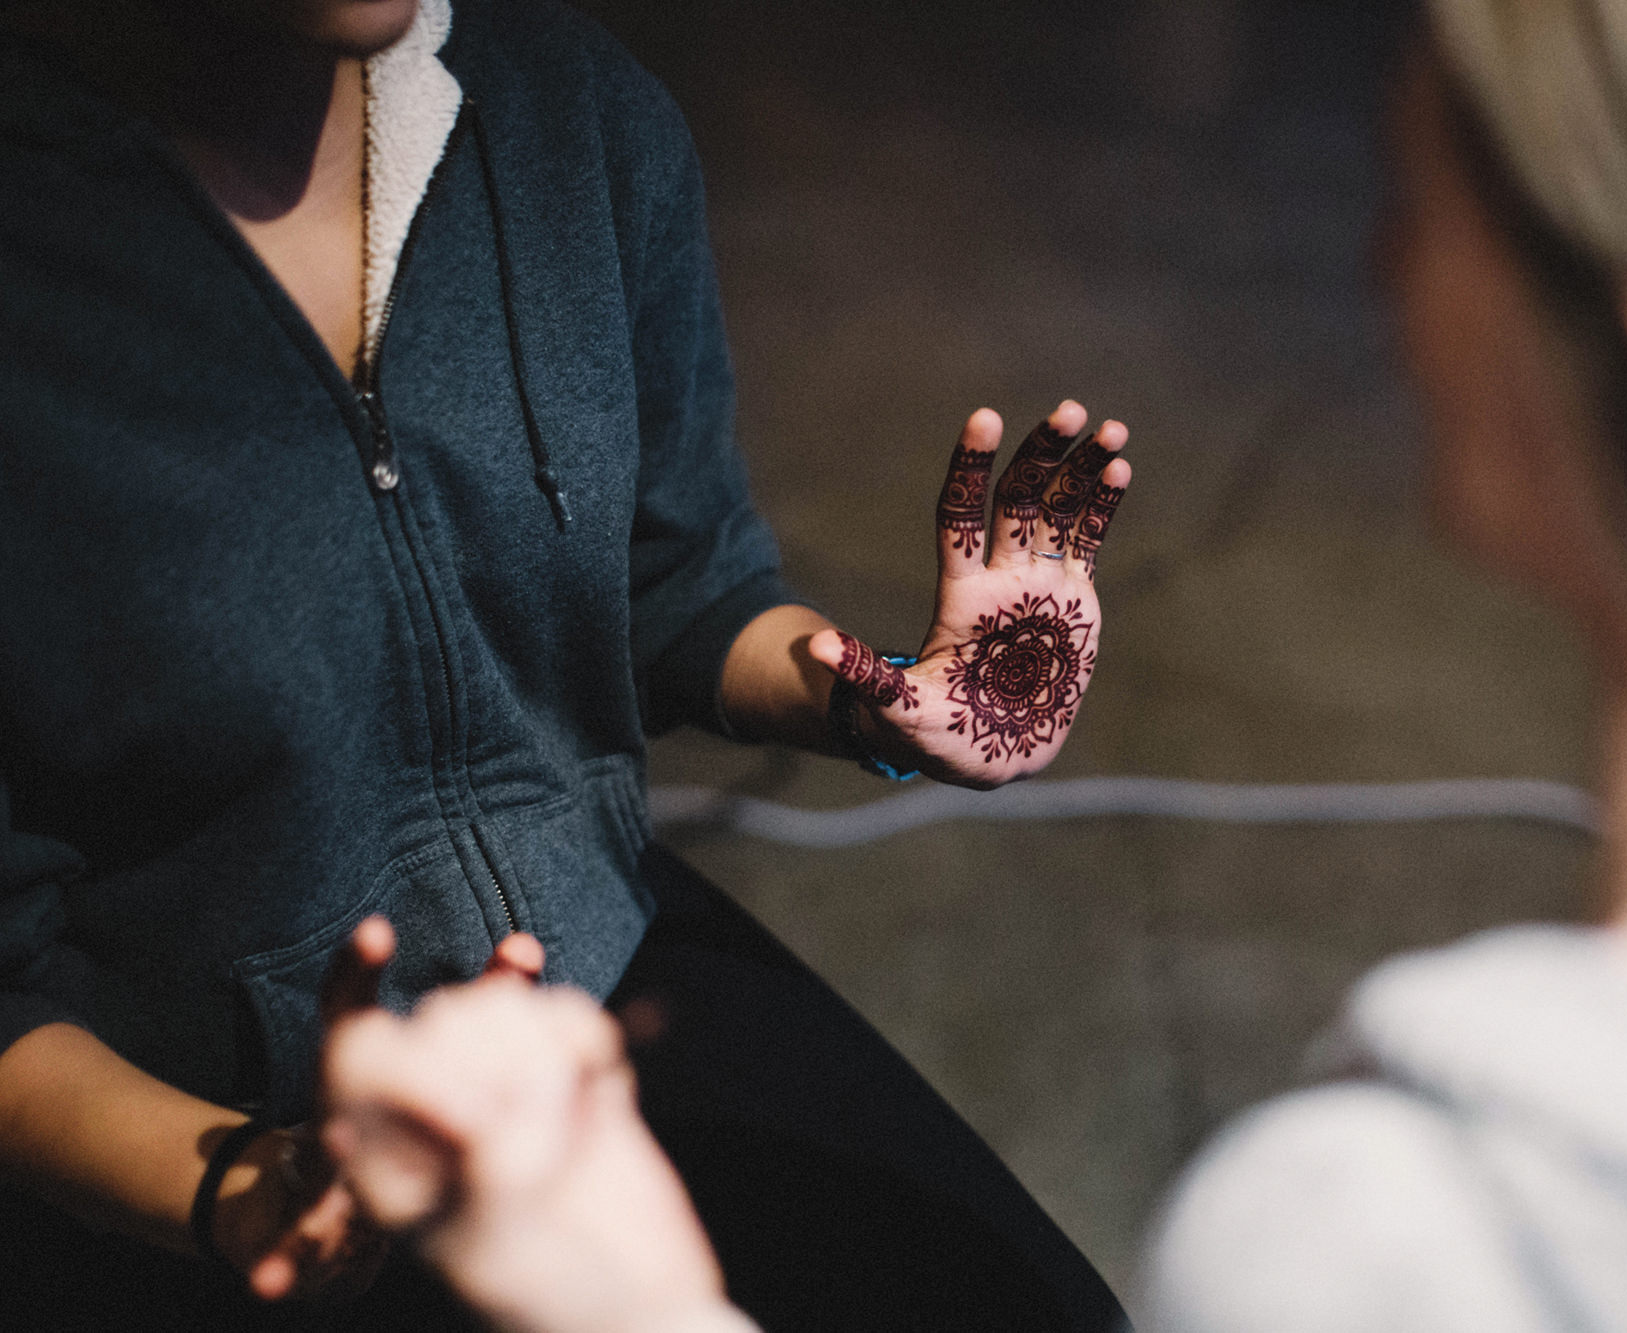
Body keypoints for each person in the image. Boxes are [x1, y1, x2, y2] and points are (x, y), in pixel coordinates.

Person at [321, 0, 1627, 1329]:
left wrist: (636, 1311)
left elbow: (670, 580)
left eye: (1423, 213)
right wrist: (885, 696)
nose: (1378, 278)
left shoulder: (1381, 1242)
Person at [0, 0, 1132, 1328]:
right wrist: (252, 1184)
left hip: (586, 971)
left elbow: (678, 591)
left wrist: (891, 701)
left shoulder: (570, 117)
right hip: (202, 1131)